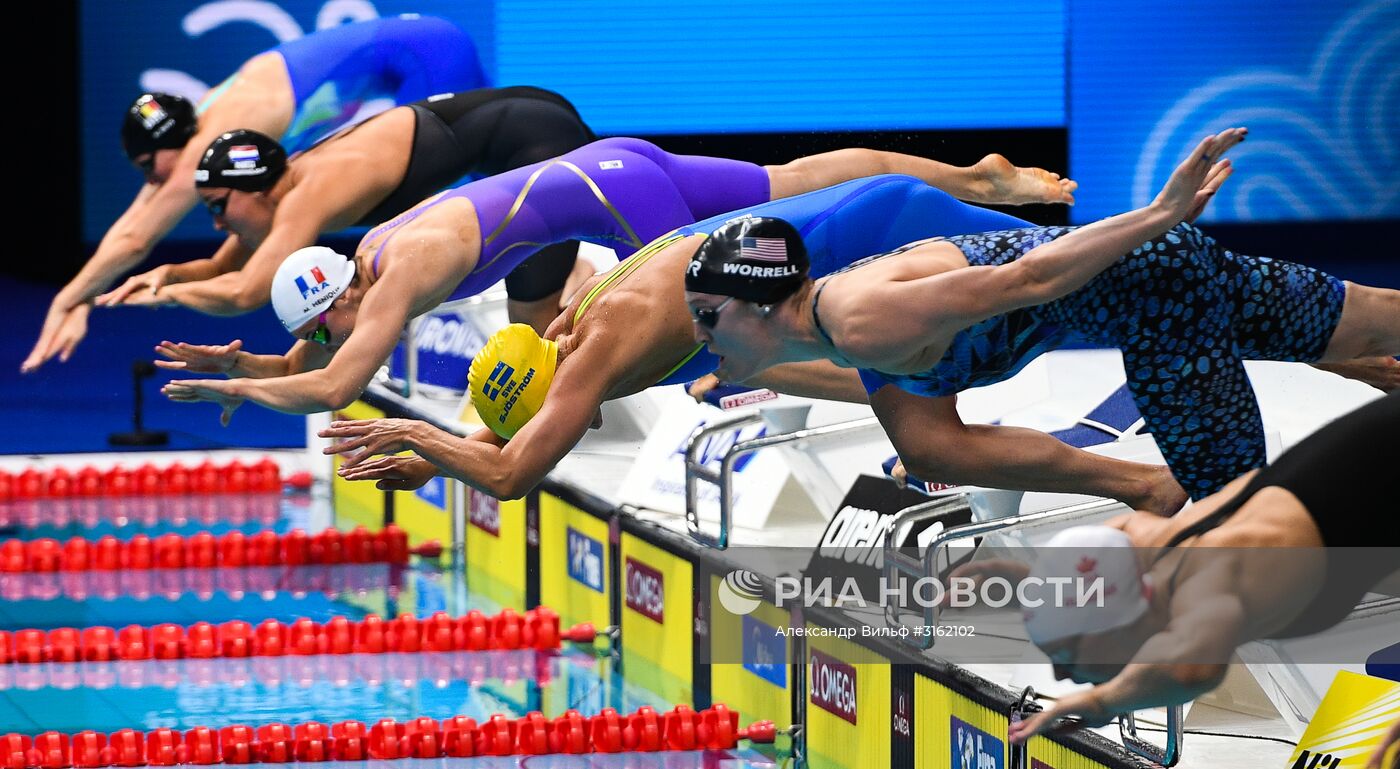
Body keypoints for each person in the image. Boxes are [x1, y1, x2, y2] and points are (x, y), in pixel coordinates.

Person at [309, 174, 1198, 513]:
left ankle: (1175, 247)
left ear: (560, 380)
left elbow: (513, 471)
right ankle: (1152, 485)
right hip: (834, 255)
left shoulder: (599, 348)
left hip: (881, 233)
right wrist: (446, 455)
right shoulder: (571, 344)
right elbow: (517, 439)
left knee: (1089, 284)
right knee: (931, 435)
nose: (561, 420)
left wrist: (427, 443)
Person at [681, 128, 1400, 500]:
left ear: (759, 304)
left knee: (1235, 507)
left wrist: (1155, 214)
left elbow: (1028, 275)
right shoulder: (830, 326)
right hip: (1153, 276)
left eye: (706, 317)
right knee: (1377, 318)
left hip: (1159, 295)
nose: (695, 335)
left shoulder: (866, 319)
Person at [22, 15, 485, 373]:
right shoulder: (203, 118)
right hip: (427, 46)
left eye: (148, 167)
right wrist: (84, 294)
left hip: (429, 56)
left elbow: (136, 239)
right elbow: (136, 219)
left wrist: (69, 299)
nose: (151, 182)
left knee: (426, 219)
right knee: (453, 189)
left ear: (169, 145)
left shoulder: (208, 139)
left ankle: (414, 352)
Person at [941, 392, 1400, 744]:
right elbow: (1095, 568)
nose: (1063, 678)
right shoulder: (1146, 545)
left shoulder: (1219, 581)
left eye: (1069, 658)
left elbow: (1189, 672)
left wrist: (1102, 701)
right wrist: (1023, 577)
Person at [95, 87, 594, 324]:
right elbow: (221, 266)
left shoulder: (307, 197)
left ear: (256, 190)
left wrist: (170, 297)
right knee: (538, 284)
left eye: (219, 205)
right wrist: (167, 276)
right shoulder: (282, 185)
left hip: (538, 140)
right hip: (520, 128)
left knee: (529, 320)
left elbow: (247, 292)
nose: (218, 222)